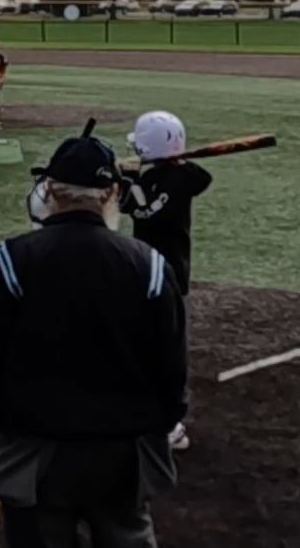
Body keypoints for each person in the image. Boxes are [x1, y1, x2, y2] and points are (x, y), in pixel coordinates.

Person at [0, 134, 187, 548]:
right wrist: (163, 423)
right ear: (112, 193)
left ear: (49, 190)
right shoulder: (150, 265)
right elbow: (171, 366)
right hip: (123, 452)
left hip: (34, 449)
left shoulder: (11, 260)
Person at [120, 111, 212, 452]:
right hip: (149, 271)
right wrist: (130, 177)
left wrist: (131, 178)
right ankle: (142, 404)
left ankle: (171, 420)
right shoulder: (164, 177)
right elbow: (128, 204)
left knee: (170, 346)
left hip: (168, 274)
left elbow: (139, 209)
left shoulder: (179, 178)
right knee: (145, 341)